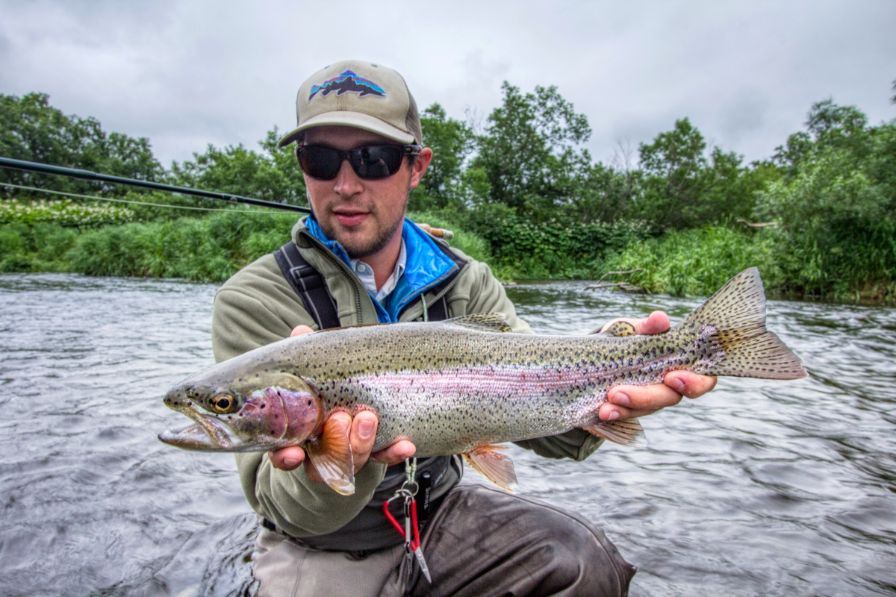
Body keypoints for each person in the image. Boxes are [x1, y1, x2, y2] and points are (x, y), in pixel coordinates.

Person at [212, 59, 717, 597]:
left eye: (373, 159)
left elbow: (542, 405)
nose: (345, 184)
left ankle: (712, 345)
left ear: (417, 166)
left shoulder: (466, 280)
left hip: (440, 515)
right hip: (324, 545)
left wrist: (614, 377)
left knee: (583, 562)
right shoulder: (254, 298)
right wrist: (337, 461)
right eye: (320, 159)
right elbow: (285, 509)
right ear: (301, 165)